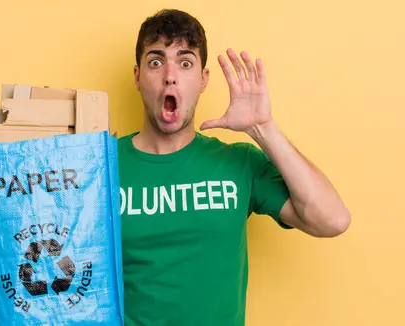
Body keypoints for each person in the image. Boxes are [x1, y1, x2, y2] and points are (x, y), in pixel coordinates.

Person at [116, 8, 351, 326]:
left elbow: (332, 220)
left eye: (185, 63)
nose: (170, 75)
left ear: (203, 80)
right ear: (137, 77)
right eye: (156, 61)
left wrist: (263, 128)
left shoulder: (239, 163)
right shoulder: (100, 165)